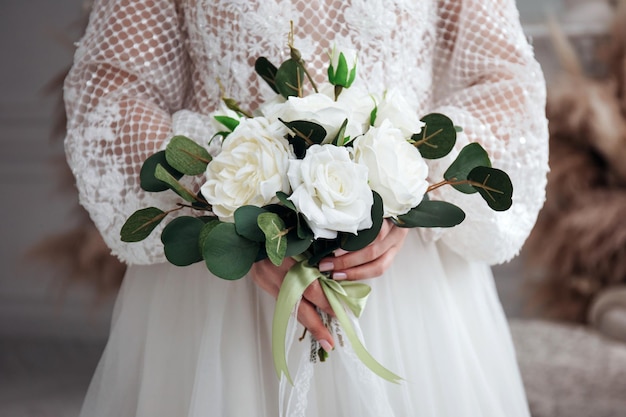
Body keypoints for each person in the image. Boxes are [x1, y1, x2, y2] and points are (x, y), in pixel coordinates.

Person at [64, 0, 549, 416]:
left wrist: (410, 185)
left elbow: (507, 84)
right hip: (220, 286)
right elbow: (110, 94)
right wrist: (241, 208)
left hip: (403, 279)